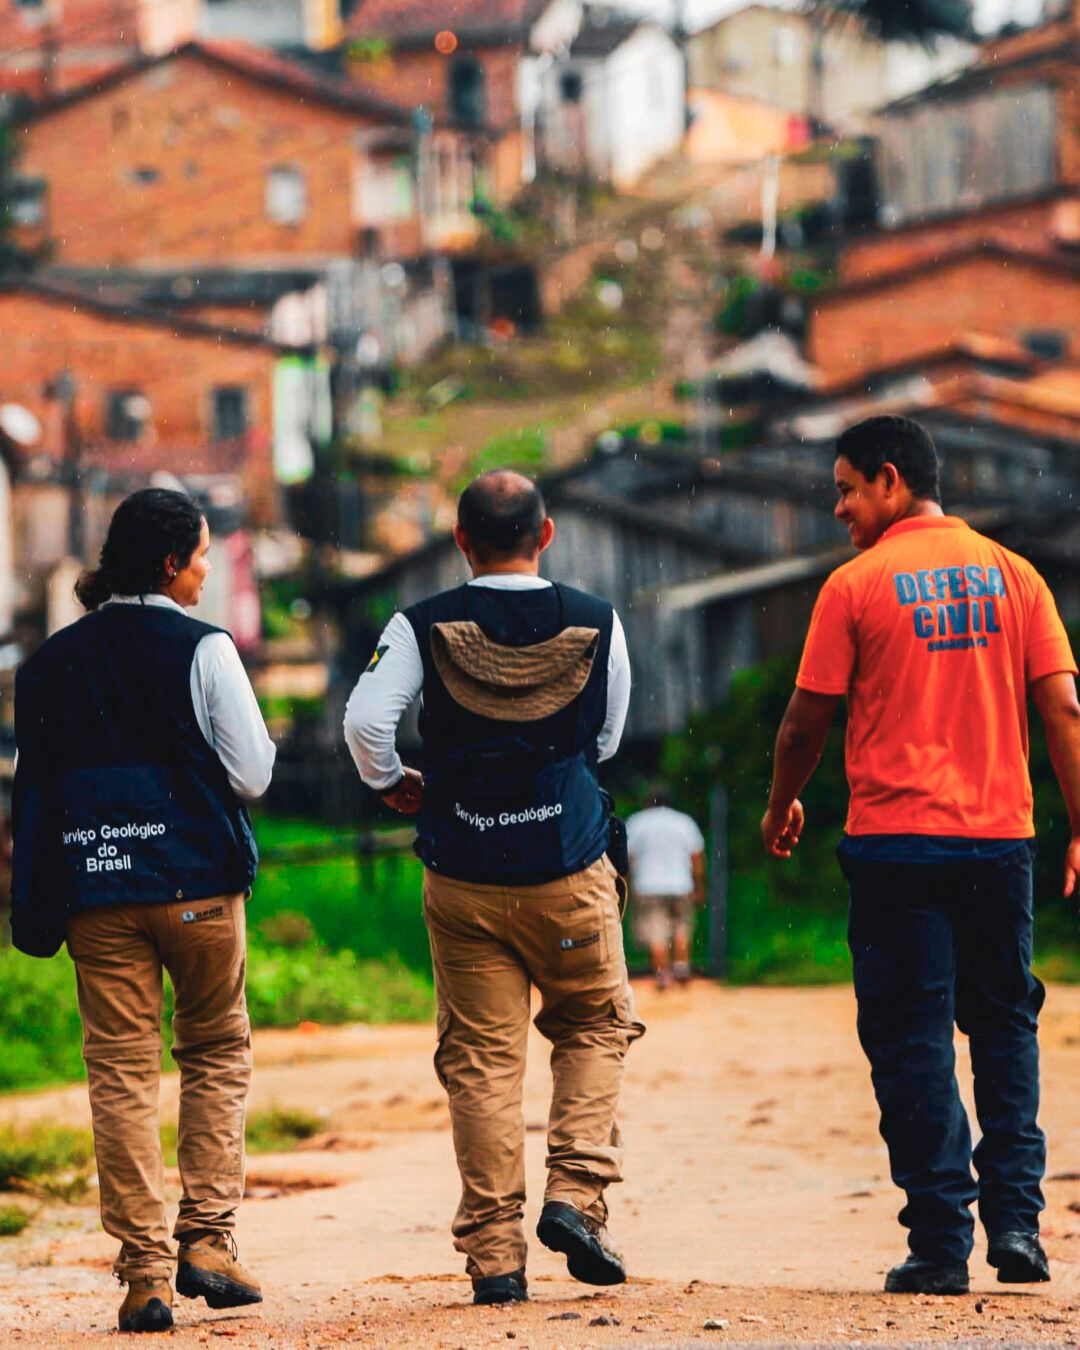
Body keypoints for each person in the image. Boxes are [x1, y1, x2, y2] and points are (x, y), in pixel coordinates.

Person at [761, 415, 1080, 1296]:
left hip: (897, 845)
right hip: (998, 841)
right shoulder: (1018, 578)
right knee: (1005, 1025)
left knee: (911, 1040)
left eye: (846, 489)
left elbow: (804, 720)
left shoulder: (856, 586)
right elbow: (1063, 711)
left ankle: (941, 1242)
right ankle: (1016, 1223)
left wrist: (783, 800)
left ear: (891, 480)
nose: (839, 509)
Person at [344, 470, 644, 1306]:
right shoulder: (597, 621)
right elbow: (608, 739)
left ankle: (495, 1256)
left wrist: (392, 782)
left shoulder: (420, 624)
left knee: (479, 1060)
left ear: (461, 541)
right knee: (592, 1023)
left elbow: (367, 723)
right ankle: (577, 1197)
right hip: (568, 866)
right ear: (545, 535)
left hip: (464, 871)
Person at [11, 489, 276, 1334]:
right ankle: (207, 1238)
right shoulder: (204, 649)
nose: (206, 569)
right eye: (201, 555)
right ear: (170, 564)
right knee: (214, 1051)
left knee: (120, 1074)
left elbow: (38, 792)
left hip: (98, 888)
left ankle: (145, 1277)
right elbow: (254, 775)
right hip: (198, 887)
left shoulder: (50, 662)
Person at [625, 785, 705, 988]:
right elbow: (696, 856)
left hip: (648, 885)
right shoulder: (684, 822)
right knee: (682, 927)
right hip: (680, 884)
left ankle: (662, 975)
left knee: (656, 931)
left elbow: (628, 859)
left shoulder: (637, 822)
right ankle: (682, 967)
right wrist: (698, 885)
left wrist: (627, 885)